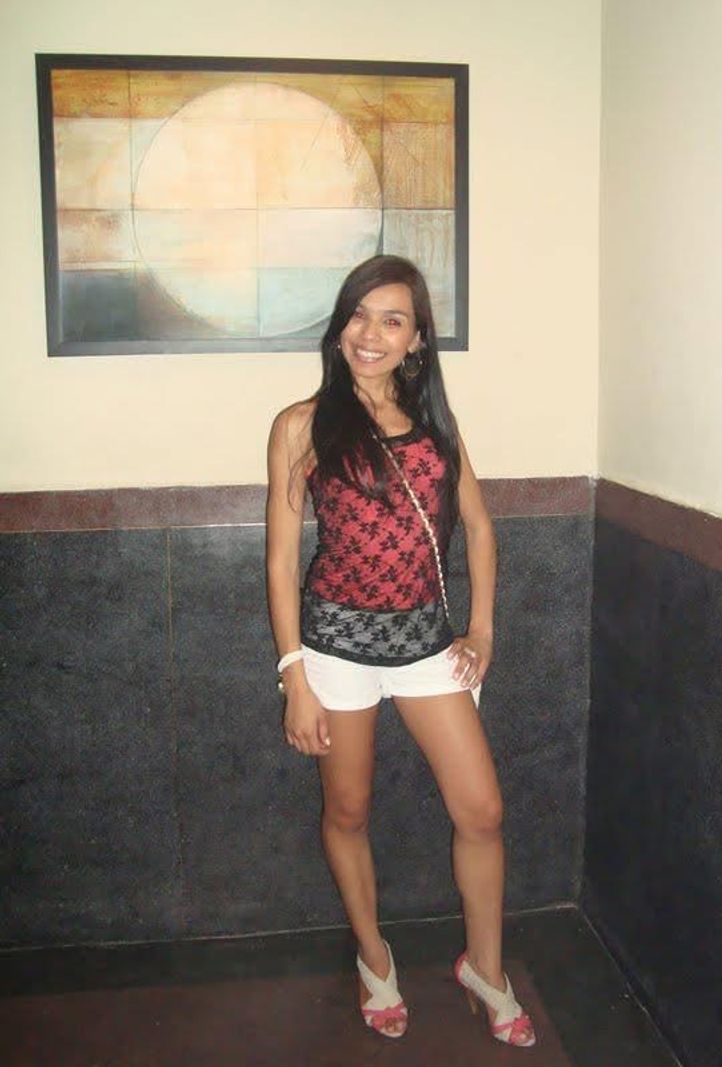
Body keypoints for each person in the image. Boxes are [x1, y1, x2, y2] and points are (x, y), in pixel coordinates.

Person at [266, 254, 536, 1048]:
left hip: (425, 645)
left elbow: (478, 527)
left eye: (393, 320)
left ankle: (485, 967)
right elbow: (281, 561)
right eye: (359, 314)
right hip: (336, 648)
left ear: (417, 339)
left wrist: (482, 629)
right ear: (339, 325)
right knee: (348, 810)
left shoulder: (435, 426)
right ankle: (374, 956)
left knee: (482, 811)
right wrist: (294, 676)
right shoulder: (301, 424)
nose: (371, 332)